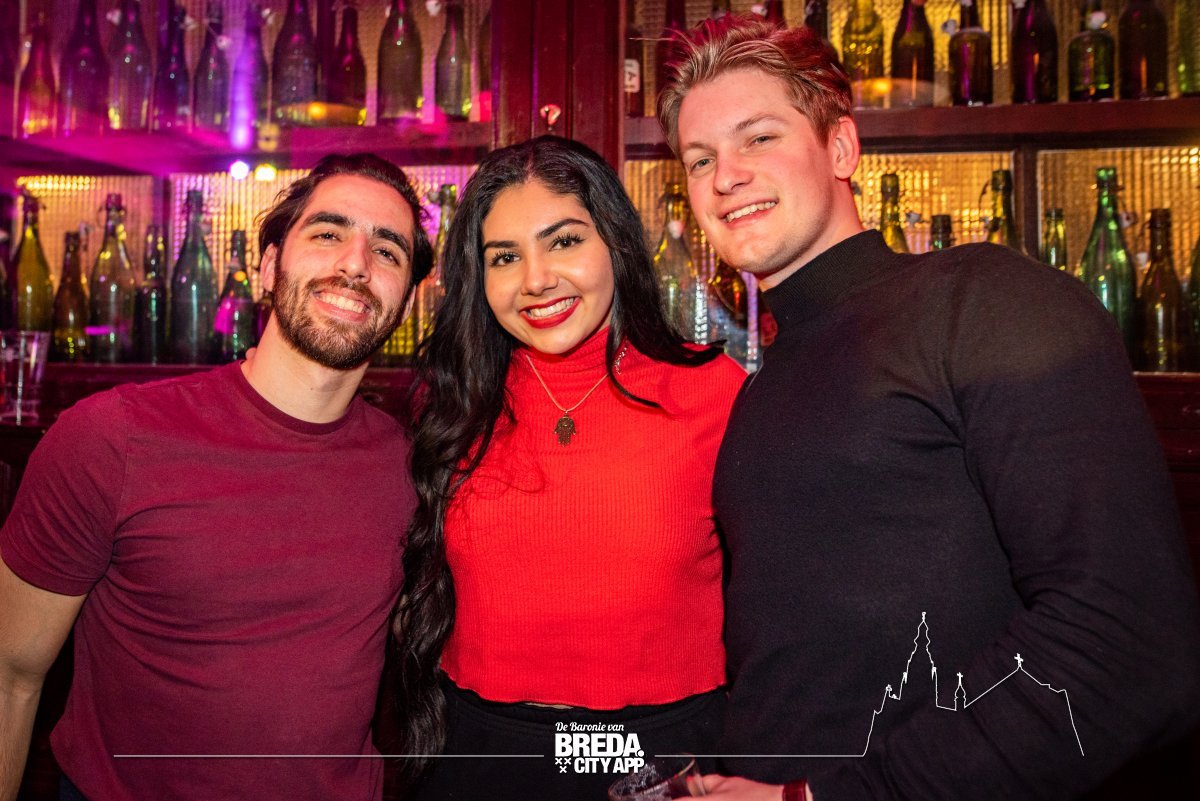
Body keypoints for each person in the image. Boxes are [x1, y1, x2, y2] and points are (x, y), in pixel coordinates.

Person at [657, 15, 1200, 801]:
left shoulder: (982, 302)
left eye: (760, 138)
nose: (725, 176)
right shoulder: (762, 385)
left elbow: (1128, 649)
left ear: (842, 148)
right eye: (700, 158)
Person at [0, 153, 433, 801]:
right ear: (267, 268)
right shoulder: (113, 437)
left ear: (407, 298)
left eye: (388, 251)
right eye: (327, 233)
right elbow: (10, 674)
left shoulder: (410, 470)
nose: (356, 264)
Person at [393, 135, 745, 801]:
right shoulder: (454, 406)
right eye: (505, 257)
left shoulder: (713, 393)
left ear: (615, 243)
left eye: (564, 241)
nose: (536, 279)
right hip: (482, 751)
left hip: (660, 757)